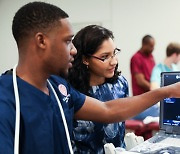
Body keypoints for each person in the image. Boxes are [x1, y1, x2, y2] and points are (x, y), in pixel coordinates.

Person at [0, 2, 180, 154]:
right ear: (41, 41)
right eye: (67, 41)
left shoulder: (58, 87)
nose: (74, 50)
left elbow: (107, 110)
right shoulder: (6, 98)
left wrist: (169, 91)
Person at [68, 25, 128, 153]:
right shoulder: (70, 91)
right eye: (105, 57)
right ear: (85, 59)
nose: (114, 62)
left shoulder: (120, 84)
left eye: (114, 53)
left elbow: (121, 127)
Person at [130, 35, 158, 120]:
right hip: (141, 99)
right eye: (150, 46)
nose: (153, 48)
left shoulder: (151, 57)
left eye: (153, 46)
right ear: (144, 44)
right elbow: (140, 81)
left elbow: (154, 76)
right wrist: (156, 90)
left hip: (152, 97)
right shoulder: (136, 58)